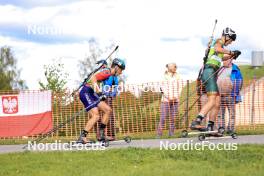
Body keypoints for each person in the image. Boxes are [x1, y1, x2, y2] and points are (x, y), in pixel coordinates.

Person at [191, 27, 239, 131]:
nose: (230, 43)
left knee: (217, 102)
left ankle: (210, 126)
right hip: (209, 72)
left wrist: (232, 55)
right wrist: (231, 52)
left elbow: (221, 57)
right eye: (230, 40)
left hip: (211, 73)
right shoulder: (219, 41)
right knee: (212, 100)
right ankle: (197, 121)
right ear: (227, 37)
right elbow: (218, 49)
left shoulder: (219, 45)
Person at [77, 58, 125, 144]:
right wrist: (99, 93)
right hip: (86, 92)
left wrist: (105, 93)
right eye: (121, 69)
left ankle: (102, 135)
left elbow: (108, 89)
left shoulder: (112, 76)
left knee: (108, 110)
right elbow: (93, 78)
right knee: (96, 116)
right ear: (117, 67)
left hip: (92, 93)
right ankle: (82, 137)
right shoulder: (108, 72)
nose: (121, 72)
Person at [217, 58, 243, 134]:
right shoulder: (220, 69)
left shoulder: (235, 70)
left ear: (230, 60)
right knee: (220, 113)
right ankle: (221, 128)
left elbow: (239, 81)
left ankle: (230, 129)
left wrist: (235, 93)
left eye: (225, 60)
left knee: (232, 113)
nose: (223, 61)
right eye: (223, 60)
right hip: (220, 95)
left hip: (231, 95)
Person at [157, 63, 181, 137]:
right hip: (165, 100)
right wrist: (169, 97)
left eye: (175, 66)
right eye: (174, 66)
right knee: (163, 118)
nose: (175, 68)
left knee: (173, 118)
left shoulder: (178, 76)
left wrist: (175, 97)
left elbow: (180, 88)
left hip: (175, 100)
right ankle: (159, 134)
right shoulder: (164, 77)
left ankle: (171, 134)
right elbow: (162, 88)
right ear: (169, 68)